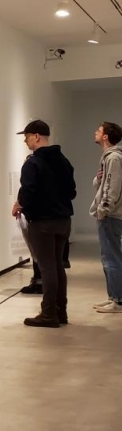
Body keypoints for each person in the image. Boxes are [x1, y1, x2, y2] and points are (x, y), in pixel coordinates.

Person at [12, 120, 76, 328]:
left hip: (42, 222)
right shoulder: (64, 161)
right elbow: (72, 192)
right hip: (63, 221)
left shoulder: (33, 163)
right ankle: (61, 311)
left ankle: (48, 313)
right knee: (57, 266)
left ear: (37, 136)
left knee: (47, 267)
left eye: (27, 136)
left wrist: (20, 204)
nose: (25, 140)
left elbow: (28, 190)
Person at [90, 121, 122, 313]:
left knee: (111, 257)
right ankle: (114, 296)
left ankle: (117, 300)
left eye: (99, 130)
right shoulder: (110, 158)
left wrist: (104, 209)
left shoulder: (113, 158)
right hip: (110, 214)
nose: (95, 132)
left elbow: (113, 186)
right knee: (109, 256)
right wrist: (99, 179)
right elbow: (103, 183)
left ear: (105, 136)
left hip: (111, 216)